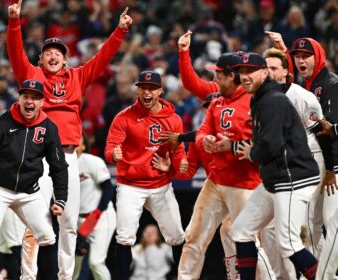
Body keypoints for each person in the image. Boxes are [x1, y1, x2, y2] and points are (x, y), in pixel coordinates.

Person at [6, 1, 132, 278]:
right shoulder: (32, 76)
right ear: (40, 60)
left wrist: (120, 32)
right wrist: (14, 21)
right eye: (47, 52)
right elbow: (15, 54)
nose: (53, 56)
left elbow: (102, 58)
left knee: (69, 220)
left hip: (67, 157)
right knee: (34, 220)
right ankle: (28, 276)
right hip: (37, 156)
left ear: (66, 59)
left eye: (58, 53)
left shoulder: (77, 76)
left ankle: (65, 276)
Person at [176, 30, 273, 280]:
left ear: (233, 76)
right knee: (194, 238)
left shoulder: (256, 101)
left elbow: (264, 144)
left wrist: (230, 146)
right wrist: (204, 140)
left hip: (245, 184)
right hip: (216, 181)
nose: (215, 78)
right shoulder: (218, 101)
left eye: (219, 74)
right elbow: (203, 130)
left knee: (246, 240)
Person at [0, 79, 69, 280]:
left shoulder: (48, 127)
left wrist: (60, 198)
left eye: (35, 98)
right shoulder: (0, 122)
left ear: (42, 102)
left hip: (28, 191)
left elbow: (59, 166)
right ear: (19, 98)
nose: (30, 101)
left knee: (47, 237)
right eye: (26, 96)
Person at [230, 52, 320, 280]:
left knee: (288, 243)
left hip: (293, 177)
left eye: (250, 71)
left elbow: (270, 145)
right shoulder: (261, 97)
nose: (245, 76)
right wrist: (242, 148)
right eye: (241, 72)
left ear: (264, 72)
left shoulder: (272, 100)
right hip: (277, 178)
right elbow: (262, 142)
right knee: (240, 230)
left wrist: (252, 153)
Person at [105, 70, 186, 280]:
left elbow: (177, 152)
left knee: (177, 235)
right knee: (124, 237)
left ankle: (185, 278)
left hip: (160, 183)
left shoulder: (174, 119)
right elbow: (110, 148)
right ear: (137, 90)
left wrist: (175, 167)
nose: (147, 92)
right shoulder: (124, 117)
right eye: (143, 88)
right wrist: (113, 155)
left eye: (152, 88)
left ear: (160, 90)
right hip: (130, 183)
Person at [287, 37, 338, 279]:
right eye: (296, 56)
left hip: (334, 167)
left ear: (317, 56)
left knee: (330, 225)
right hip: (317, 162)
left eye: (305, 55)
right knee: (313, 225)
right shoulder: (304, 86)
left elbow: (328, 128)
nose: (300, 60)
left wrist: (330, 168)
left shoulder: (331, 83)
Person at [73, 134, 116, 280]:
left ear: (84, 146)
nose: (73, 140)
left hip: (100, 217)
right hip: (78, 220)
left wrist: (96, 214)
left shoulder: (92, 161)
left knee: (95, 262)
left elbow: (109, 188)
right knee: (71, 266)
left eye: (78, 138)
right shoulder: (61, 165)